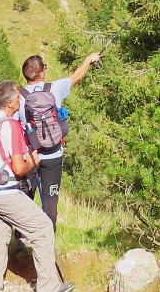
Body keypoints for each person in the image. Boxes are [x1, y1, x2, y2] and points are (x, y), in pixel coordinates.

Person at [0, 80, 73, 292]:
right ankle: (48, 288)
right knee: (42, 227)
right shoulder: (10, 126)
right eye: (18, 99)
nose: (21, 101)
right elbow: (19, 168)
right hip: (6, 191)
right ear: (10, 103)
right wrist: (34, 160)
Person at [18, 50, 102, 226]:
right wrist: (89, 59)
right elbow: (77, 76)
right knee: (50, 202)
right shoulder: (54, 88)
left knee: (25, 201)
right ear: (42, 73)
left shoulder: (18, 97)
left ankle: (20, 243)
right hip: (54, 155)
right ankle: (48, 242)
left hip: (30, 157)